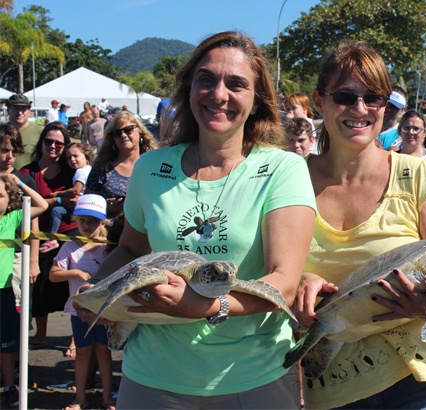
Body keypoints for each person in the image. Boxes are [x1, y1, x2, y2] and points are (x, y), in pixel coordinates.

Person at [75, 31, 316, 409]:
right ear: (189, 90)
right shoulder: (151, 167)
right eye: (206, 79)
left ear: (257, 101)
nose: (219, 94)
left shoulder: (282, 169)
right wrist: (96, 288)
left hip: (254, 376)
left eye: (236, 84)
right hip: (151, 375)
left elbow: (283, 283)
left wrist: (206, 306)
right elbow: (129, 249)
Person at [297, 40, 426, 409]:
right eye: (345, 96)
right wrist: (299, 284)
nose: (359, 109)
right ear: (319, 101)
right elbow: (269, 271)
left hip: (425, 381)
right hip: (333, 386)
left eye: (374, 98)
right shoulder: (289, 182)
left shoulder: (418, 175)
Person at [50, 194, 116, 410]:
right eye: (82, 220)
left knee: (103, 352)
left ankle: (108, 398)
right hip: (78, 312)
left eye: (93, 221)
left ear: (102, 222)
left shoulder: (109, 247)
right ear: (76, 220)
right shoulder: (70, 247)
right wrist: (74, 272)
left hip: (104, 311)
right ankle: (80, 398)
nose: (87, 225)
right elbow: (52, 275)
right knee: (83, 352)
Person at [20, 122, 77, 349]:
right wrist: (57, 200)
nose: (53, 146)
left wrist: (48, 202)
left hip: (68, 234)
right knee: (40, 284)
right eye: (49, 141)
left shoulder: (72, 171)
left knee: (73, 287)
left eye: (59, 143)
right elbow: (26, 204)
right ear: (42, 141)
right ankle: (41, 333)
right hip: (38, 236)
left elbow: (76, 198)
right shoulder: (28, 172)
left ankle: (75, 340)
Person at [0, 173, 49, 408]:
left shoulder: (13, 218)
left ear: (8, 199)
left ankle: (9, 385)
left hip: (4, 290)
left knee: (7, 342)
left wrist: (17, 183)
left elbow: (42, 204)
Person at [84, 111, 156, 217]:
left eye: (128, 130)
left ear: (140, 131)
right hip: (111, 229)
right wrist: (103, 207)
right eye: (117, 133)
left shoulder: (154, 164)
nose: (123, 135)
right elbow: (86, 202)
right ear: (112, 139)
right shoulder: (102, 167)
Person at [0, 125, 39, 313]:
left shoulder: (25, 181)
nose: (10, 157)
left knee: (16, 306)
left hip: (16, 254)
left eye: (14, 152)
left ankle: (16, 342)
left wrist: (33, 260)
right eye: (4, 150)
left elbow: (34, 223)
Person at [41, 143, 94, 253]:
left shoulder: (81, 171)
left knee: (56, 211)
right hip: (87, 206)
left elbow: (75, 190)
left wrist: (57, 194)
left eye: (75, 156)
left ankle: (52, 239)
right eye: (69, 158)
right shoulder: (91, 170)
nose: (72, 160)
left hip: (80, 206)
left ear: (87, 157)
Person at [7, 93, 44, 170]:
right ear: (8, 110)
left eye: (23, 109)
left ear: (29, 111)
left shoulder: (41, 132)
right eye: (16, 108)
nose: (20, 112)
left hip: (30, 180)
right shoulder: (2, 131)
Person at [376, 86, 407, 150]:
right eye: (386, 103)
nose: (388, 108)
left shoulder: (402, 136)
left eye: (394, 106)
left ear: (402, 110)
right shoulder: (367, 128)